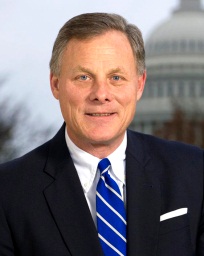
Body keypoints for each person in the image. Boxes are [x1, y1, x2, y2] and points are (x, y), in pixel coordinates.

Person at [0, 12, 203, 256]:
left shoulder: (194, 173)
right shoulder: (8, 193)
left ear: (139, 85)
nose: (101, 94)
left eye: (116, 77)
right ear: (55, 84)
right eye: (83, 77)